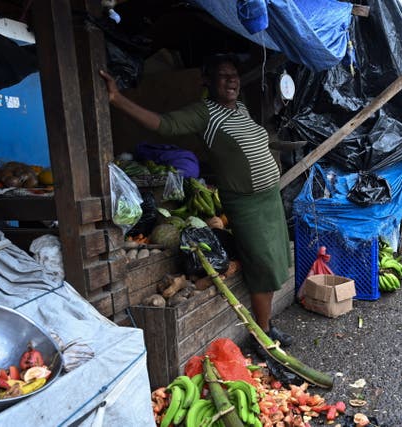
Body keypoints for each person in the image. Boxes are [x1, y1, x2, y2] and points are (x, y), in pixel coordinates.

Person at [99, 54, 293, 350]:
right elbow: (163, 125)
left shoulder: (240, 107)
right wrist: (117, 99)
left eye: (234, 76)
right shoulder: (205, 112)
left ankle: (268, 326)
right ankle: (262, 338)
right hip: (247, 204)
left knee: (276, 260)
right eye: (223, 76)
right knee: (263, 266)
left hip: (269, 199)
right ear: (209, 82)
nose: (231, 81)